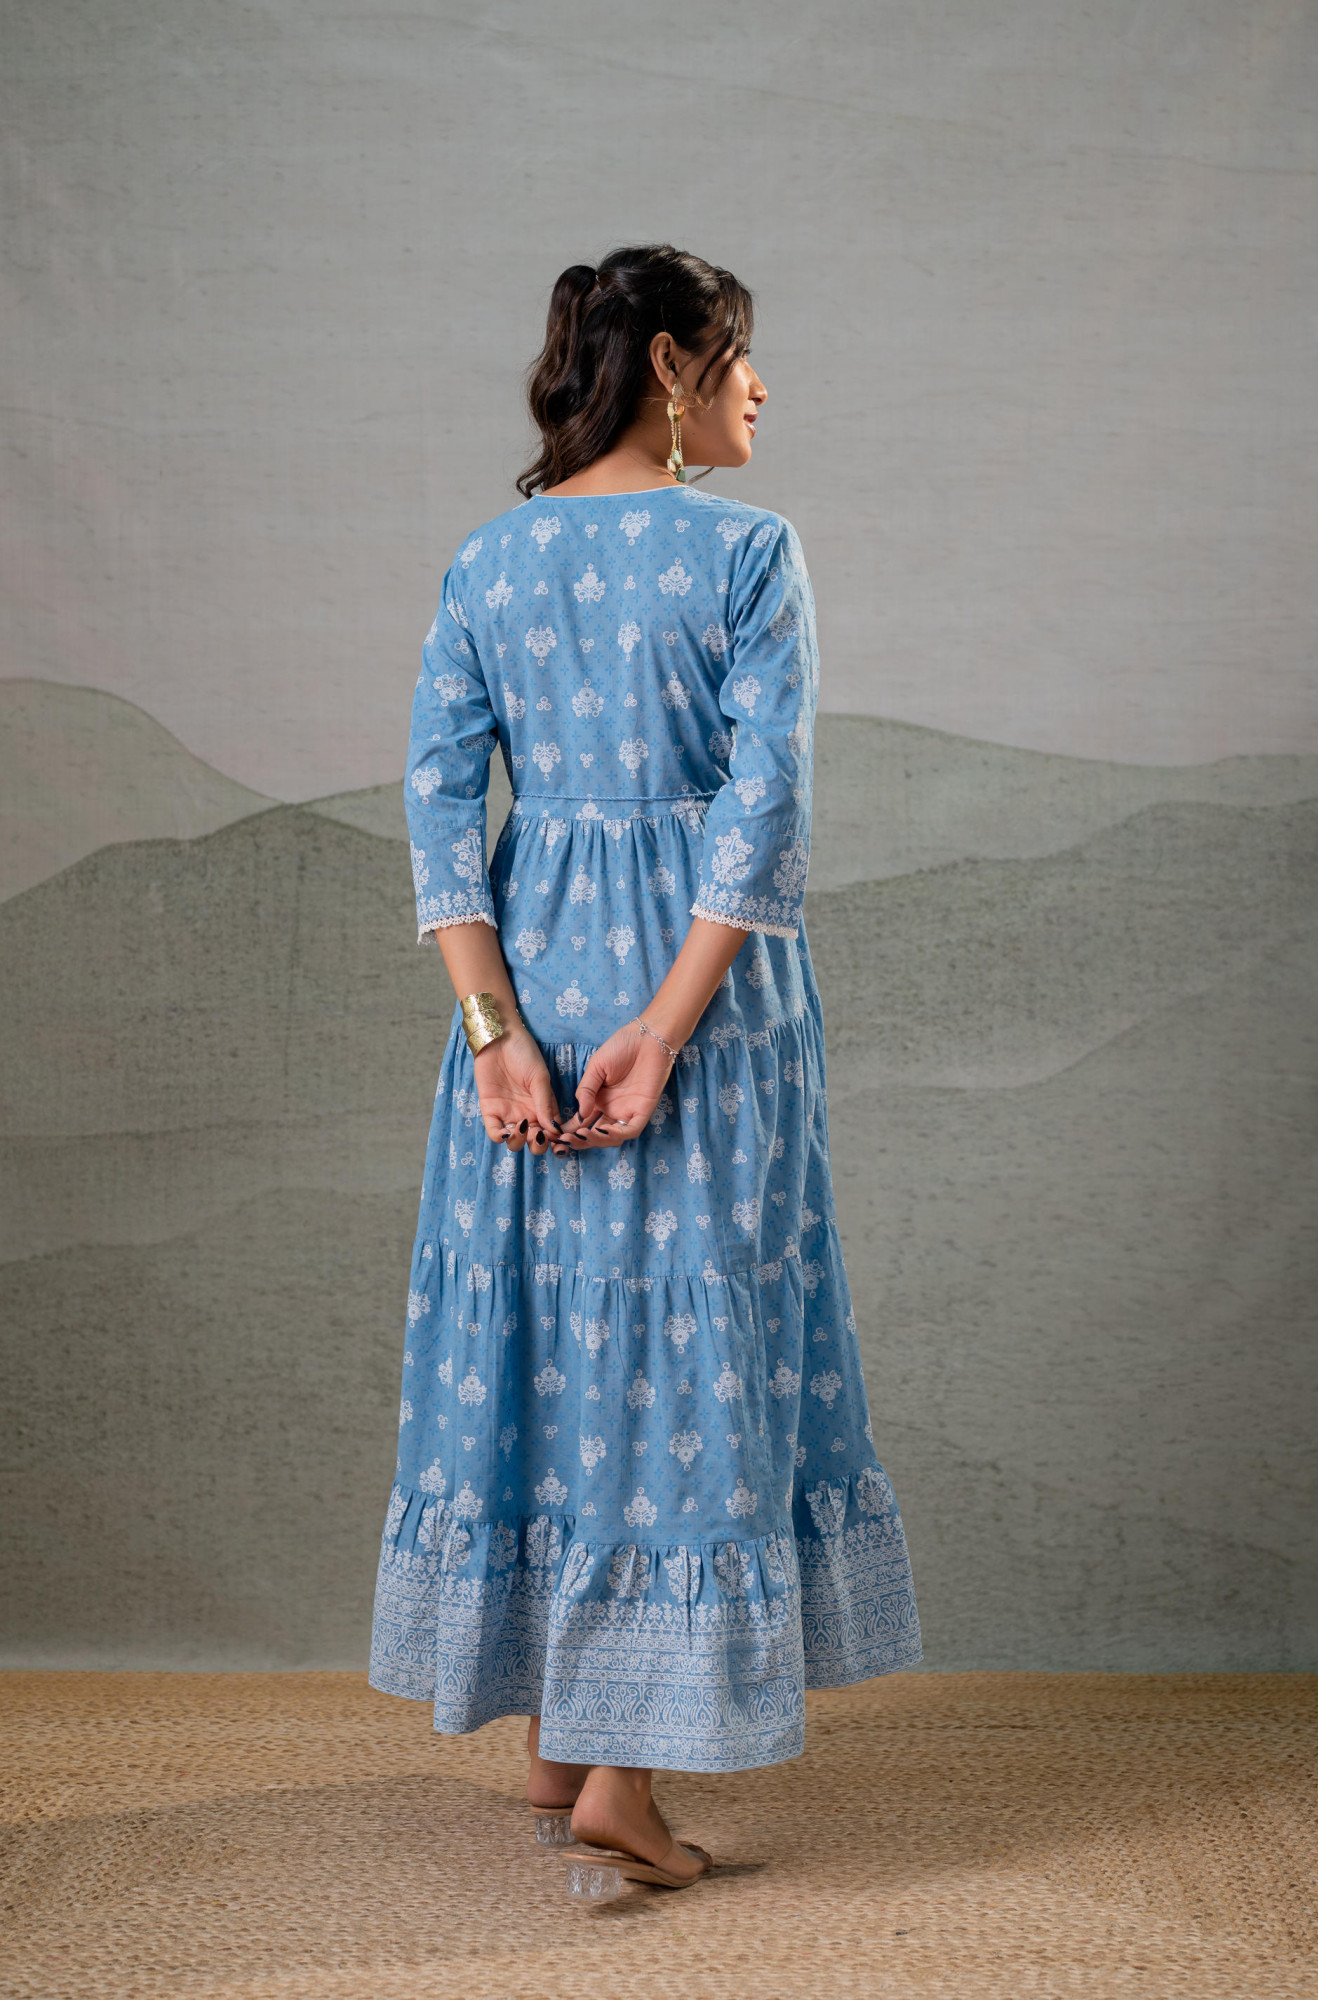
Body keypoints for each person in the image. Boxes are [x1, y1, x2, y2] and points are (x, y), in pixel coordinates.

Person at [369, 243, 922, 1898]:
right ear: (673, 366)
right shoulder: (747, 550)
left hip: (530, 987)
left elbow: (435, 808)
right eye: (741, 356)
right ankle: (623, 1774)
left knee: (545, 1337)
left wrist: (495, 1036)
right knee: (687, 1354)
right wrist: (667, 1028)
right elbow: (762, 814)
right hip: (700, 995)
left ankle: (560, 1736)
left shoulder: (488, 559)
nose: (761, 388)